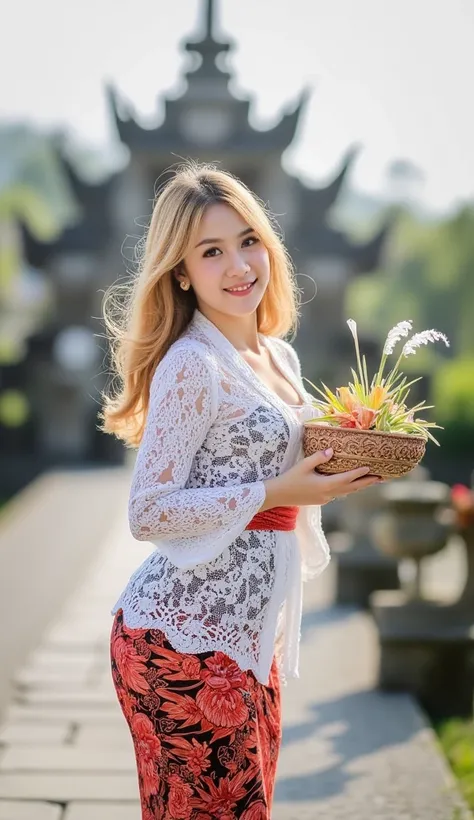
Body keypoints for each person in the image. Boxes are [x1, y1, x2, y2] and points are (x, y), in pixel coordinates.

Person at [99, 162, 380, 819]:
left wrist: (364, 439)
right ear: (181, 271)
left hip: (251, 643)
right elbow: (148, 510)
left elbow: (304, 453)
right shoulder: (191, 367)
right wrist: (275, 489)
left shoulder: (279, 357)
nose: (239, 265)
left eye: (248, 240)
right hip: (178, 641)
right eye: (211, 251)